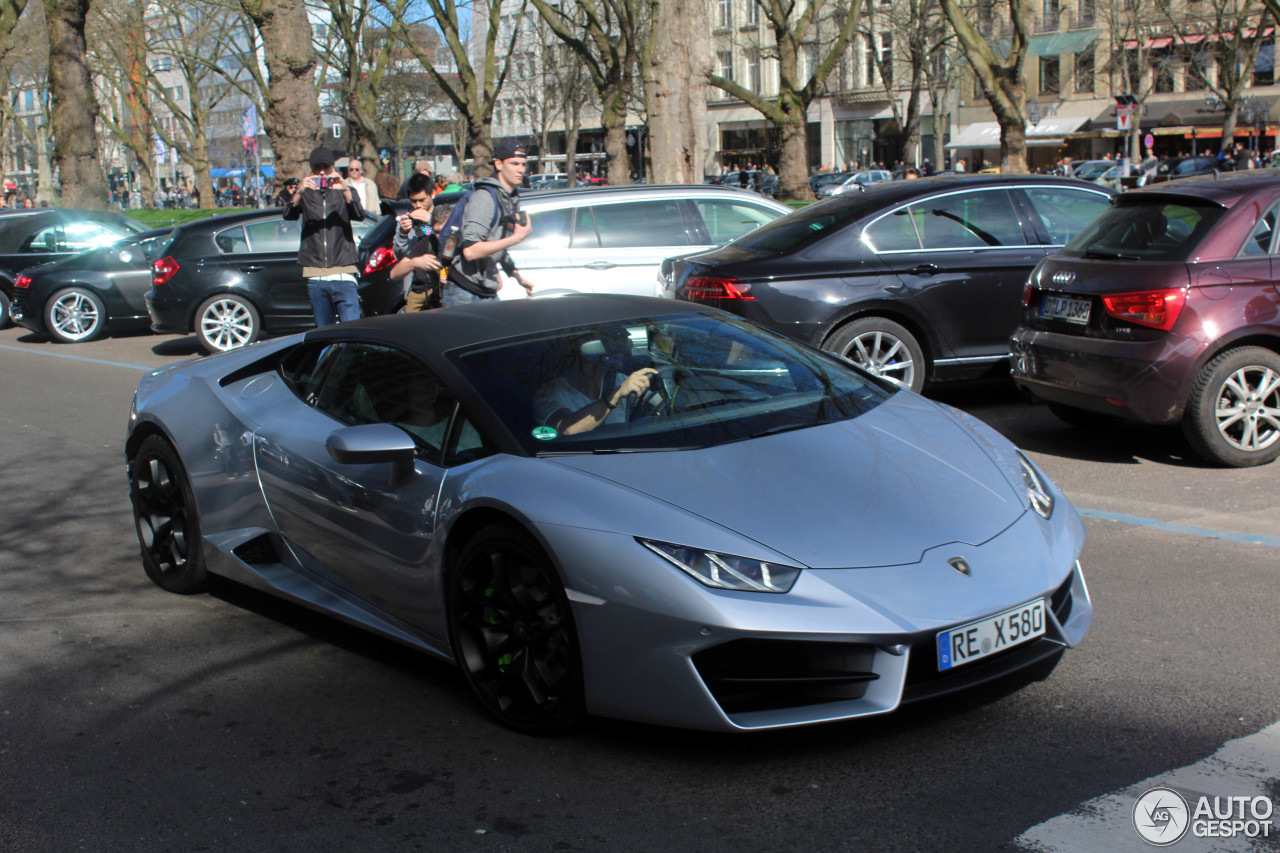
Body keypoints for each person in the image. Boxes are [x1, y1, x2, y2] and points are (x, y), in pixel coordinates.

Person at [441, 139, 534, 306]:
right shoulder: (485, 197)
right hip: (463, 291)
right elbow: (471, 251)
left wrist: (515, 275)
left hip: (484, 289)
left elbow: (496, 243)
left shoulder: (509, 197)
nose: (521, 169)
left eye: (523, 164)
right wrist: (516, 238)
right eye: (514, 163)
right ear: (498, 164)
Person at [283, 146, 365, 327]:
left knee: (352, 330)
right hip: (316, 273)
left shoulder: (345, 190)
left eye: (326, 168)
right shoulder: (306, 193)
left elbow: (359, 215)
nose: (321, 173)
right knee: (324, 333)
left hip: (344, 271)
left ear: (333, 168)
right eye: (317, 168)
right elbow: (288, 215)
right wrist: (300, 192)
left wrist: (344, 190)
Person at [533, 331, 659, 435]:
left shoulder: (620, 380)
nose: (623, 346)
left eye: (622, 341)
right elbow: (567, 429)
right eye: (611, 341)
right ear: (587, 350)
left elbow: (658, 402)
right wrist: (615, 396)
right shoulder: (550, 395)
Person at [388, 172, 444, 312]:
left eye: (422, 200)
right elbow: (400, 256)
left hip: (439, 287)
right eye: (413, 201)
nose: (418, 205)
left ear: (432, 194)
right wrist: (403, 233)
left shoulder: (442, 215)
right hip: (416, 287)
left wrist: (431, 220)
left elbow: (449, 242)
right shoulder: (409, 219)